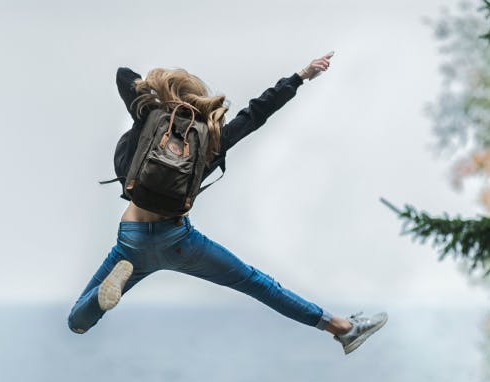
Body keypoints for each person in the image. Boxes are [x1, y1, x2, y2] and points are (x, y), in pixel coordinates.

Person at [67, 53, 387, 354]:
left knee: (77, 322)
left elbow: (124, 75)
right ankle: (342, 329)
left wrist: (156, 95)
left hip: (132, 239)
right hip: (178, 240)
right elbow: (257, 113)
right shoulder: (211, 138)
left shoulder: (149, 117)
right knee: (257, 283)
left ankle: (102, 296)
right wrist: (301, 76)